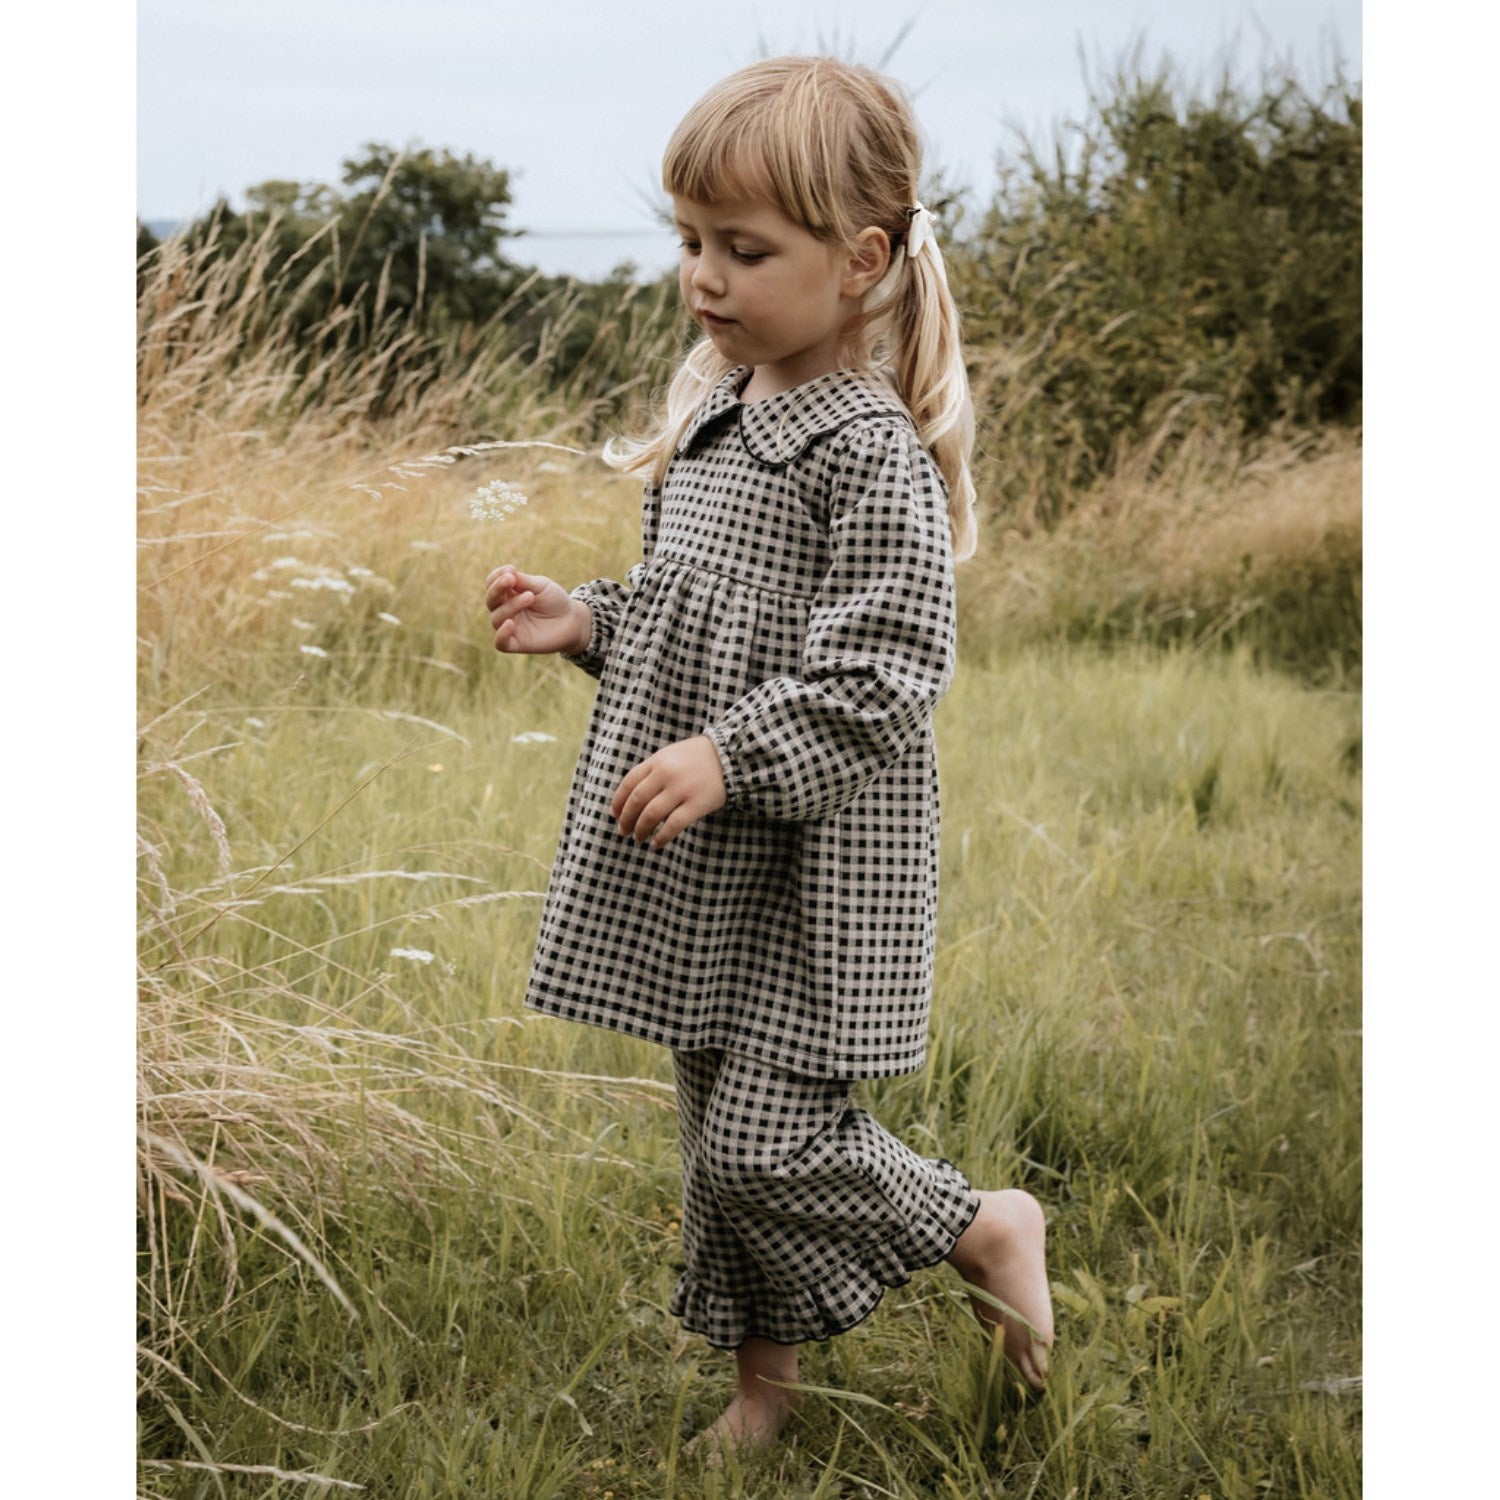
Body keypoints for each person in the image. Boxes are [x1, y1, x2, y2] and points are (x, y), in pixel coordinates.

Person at [483, 55, 1052, 1456]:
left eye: (744, 251)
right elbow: (689, 621)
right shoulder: (719, 419)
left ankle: (985, 1226)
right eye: (689, 242)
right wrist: (586, 622)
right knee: (713, 1141)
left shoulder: (866, 451)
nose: (704, 279)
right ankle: (766, 1394)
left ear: (862, 261)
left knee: (767, 1144)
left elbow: (887, 669)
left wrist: (731, 758)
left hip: (817, 874)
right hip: (713, 870)